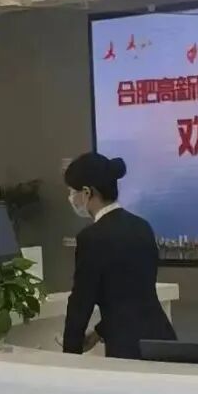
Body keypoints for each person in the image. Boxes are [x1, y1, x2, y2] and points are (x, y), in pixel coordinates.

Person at [62, 152, 177, 360]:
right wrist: (99, 332)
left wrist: (70, 353)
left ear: (87, 192)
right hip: (161, 338)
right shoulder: (142, 226)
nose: (71, 198)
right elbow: (132, 295)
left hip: (127, 347)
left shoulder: (91, 238)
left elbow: (81, 302)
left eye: (72, 192)